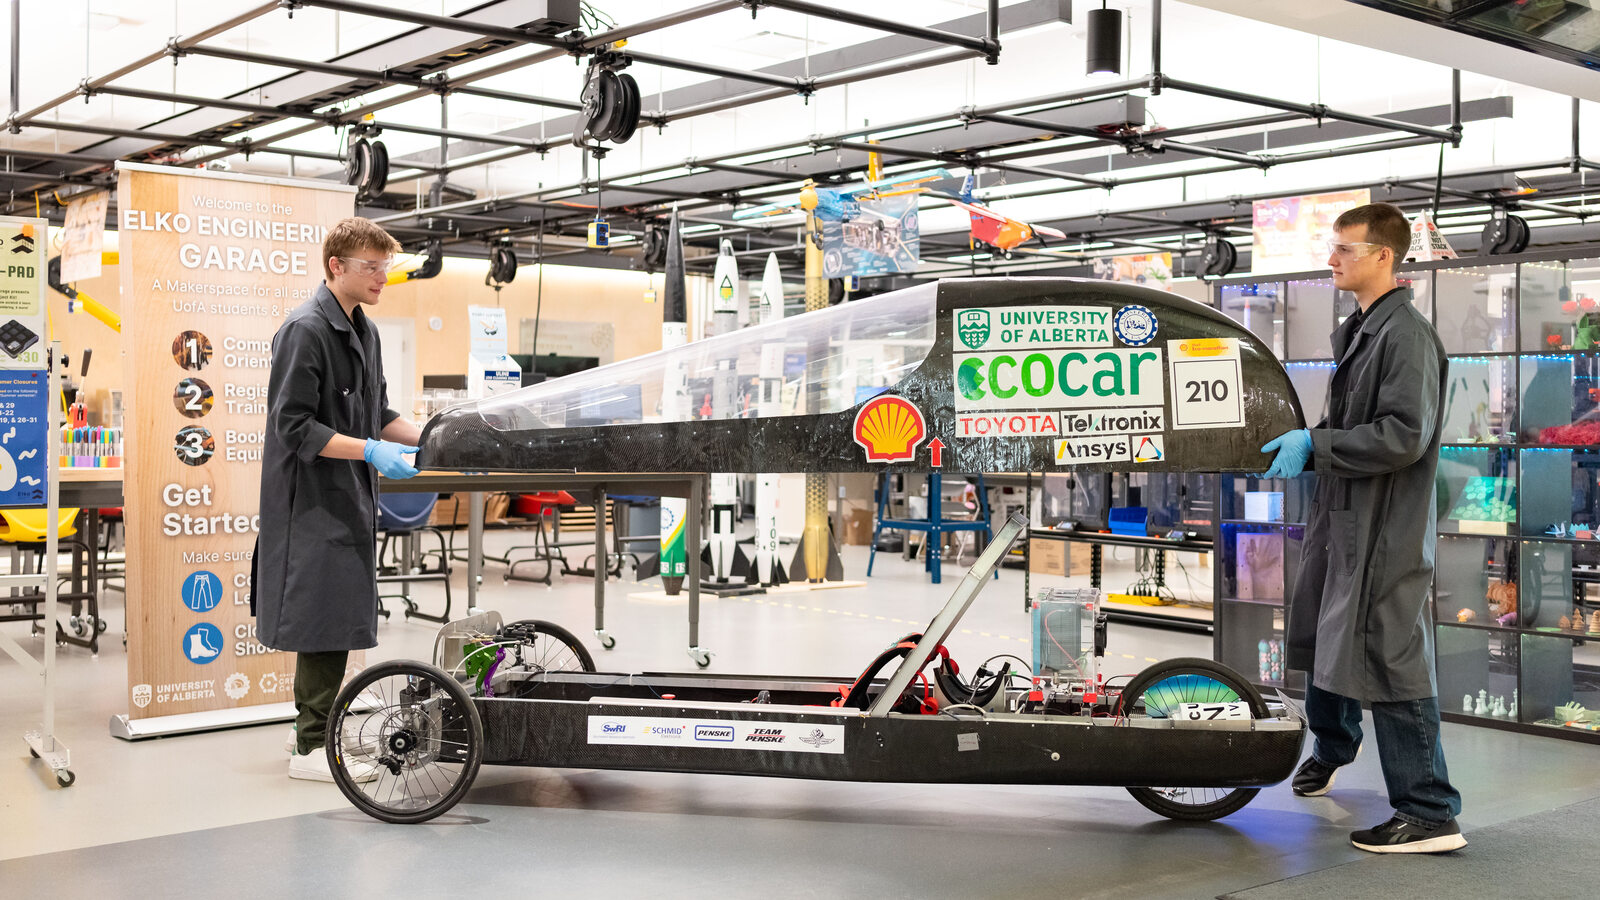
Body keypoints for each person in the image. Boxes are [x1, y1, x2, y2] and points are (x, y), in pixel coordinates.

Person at [1259, 202, 1464, 853]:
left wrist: (1317, 447)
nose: (1331, 259)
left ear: (1383, 256)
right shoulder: (1361, 329)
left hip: (1384, 531)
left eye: (1344, 249)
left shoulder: (1405, 337)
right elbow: (1356, 424)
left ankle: (1430, 809)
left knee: (1389, 657)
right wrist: (1311, 440)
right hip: (1343, 521)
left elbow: (1404, 436)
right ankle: (1335, 745)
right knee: (1324, 629)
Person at [251, 217, 424, 782]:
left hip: (347, 494)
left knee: (339, 617)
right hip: (311, 500)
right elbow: (294, 426)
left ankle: (320, 735)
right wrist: (371, 452)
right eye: (370, 267)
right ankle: (310, 749)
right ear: (336, 267)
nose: (381, 277)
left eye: (385, 268)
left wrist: (433, 437)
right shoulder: (305, 329)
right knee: (320, 620)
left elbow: (379, 412)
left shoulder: (364, 330)